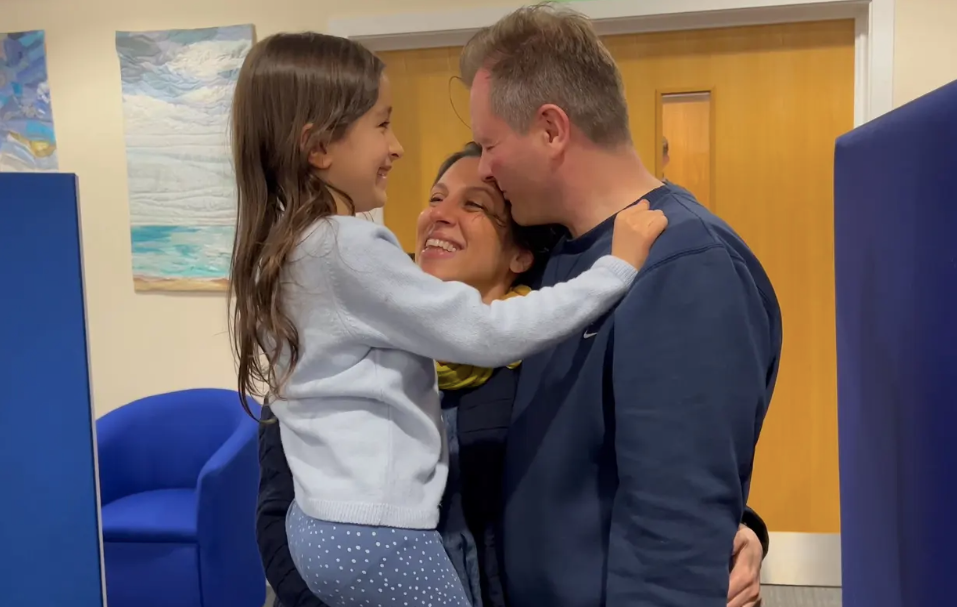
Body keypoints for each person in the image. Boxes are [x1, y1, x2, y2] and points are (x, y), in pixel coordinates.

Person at [228, 32, 667, 607]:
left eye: (476, 205)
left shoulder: (294, 252)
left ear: (520, 256)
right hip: (374, 534)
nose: (397, 147)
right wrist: (615, 269)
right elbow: (487, 332)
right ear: (318, 149)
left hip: (326, 531)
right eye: (382, 125)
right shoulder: (349, 250)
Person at [255, 142, 770, 607]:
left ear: (521, 254)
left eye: (474, 205)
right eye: (435, 198)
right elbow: (278, 522)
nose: (440, 216)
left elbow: (630, 476)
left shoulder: (549, 359)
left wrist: (739, 531)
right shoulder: (334, 345)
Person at [460, 5, 781, 607]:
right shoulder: (565, 254)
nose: (484, 167)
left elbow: (673, 534)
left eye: (489, 144)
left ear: (552, 129)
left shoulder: (686, 269)